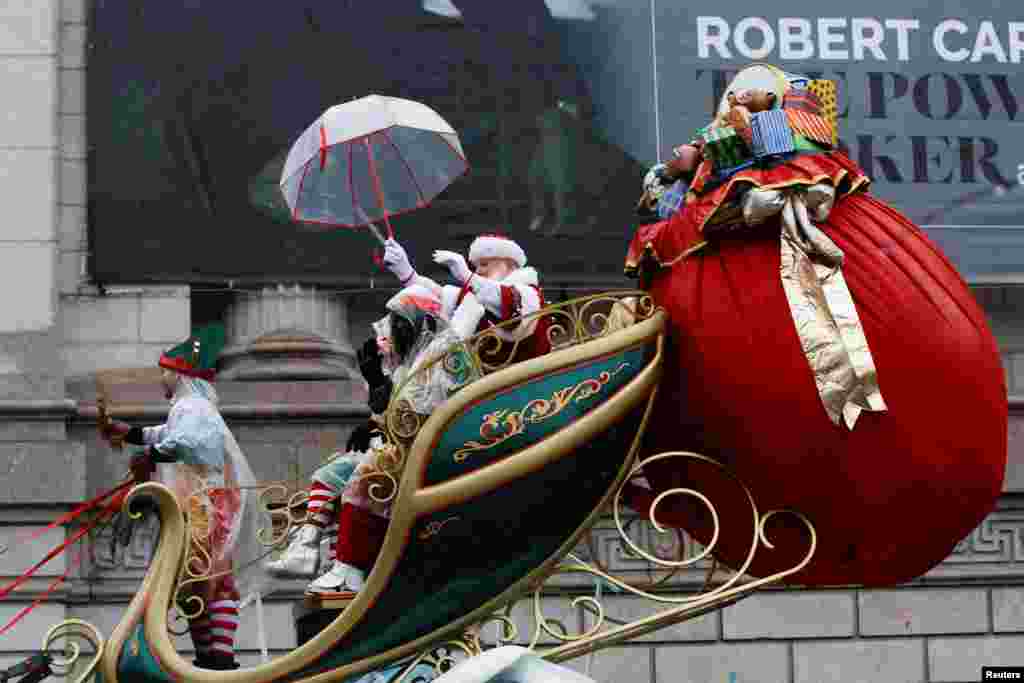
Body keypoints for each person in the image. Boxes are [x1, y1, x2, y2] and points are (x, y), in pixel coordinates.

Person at [102, 326, 263, 671]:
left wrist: (152, 456)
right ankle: (209, 656)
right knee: (196, 582)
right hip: (198, 504)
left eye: (165, 371)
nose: (161, 377)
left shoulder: (192, 407)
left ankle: (218, 658)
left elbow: (186, 442)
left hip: (206, 505)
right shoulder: (190, 407)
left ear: (181, 375)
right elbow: (167, 435)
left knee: (213, 579)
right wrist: (129, 433)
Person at [307, 283, 485, 595]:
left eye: (401, 323)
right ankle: (322, 551)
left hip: (441, 453)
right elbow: (399, 411)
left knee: (370, 473)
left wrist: (381, 411)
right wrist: (376, 409)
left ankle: (350, 569)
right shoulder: (412, 362)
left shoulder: (444, 352)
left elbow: (422, 411)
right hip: (412, 447)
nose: (394, 330)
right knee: (341, 469)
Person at [383, 232, 551, 366]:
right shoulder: (475, 298)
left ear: (510, 265)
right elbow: (436, 298)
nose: (479, 271)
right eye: (475, 267)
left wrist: (467, 276)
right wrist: (405, 271)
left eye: (485, 264)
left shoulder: (528, 294)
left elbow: (506, 302)